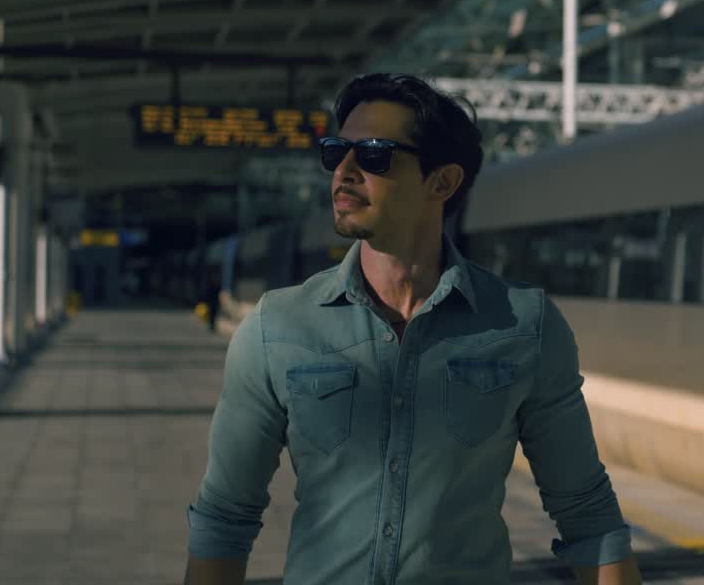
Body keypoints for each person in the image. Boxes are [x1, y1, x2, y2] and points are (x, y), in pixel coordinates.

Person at [183, 74, 641, 584]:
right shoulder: (276, 327)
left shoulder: (525, 325)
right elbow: (225, 515)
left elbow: (586, 513)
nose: (344, 171)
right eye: (336, 152)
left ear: (441, 182)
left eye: (373, 155)